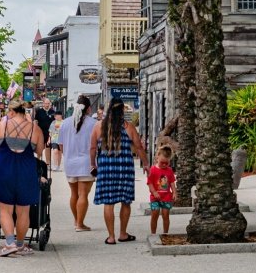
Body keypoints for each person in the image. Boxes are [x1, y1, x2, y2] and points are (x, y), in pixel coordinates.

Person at [0, 101, 44, 257]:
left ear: (12, 111)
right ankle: (20, 244)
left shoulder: (2, 125)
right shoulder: (35, 129)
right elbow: (39, 152)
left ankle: (9, 243)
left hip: (5, 168)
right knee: (23, 211)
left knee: (6, 210)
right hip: (26, 171)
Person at [91, 97, 146, 244]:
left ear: (109, 109)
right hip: (125, 169)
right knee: (125, 202)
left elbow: (92, 148)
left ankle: (111, 236)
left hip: (106, 169)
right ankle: (123, 233)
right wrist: (146, 164)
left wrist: (93, 164)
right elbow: (139, 147)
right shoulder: (128, 127)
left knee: (108, 203)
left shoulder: (99, 126)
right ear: (122, 110)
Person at [57, 95, 99, 231]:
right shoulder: (93, 124)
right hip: (87, 163)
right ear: (88, 109)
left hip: (70, 162)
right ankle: (80, 224)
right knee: (83, 194)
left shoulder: (66, 123)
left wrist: (68, 154)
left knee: (73, 194)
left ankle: (76, 220)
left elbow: (61, 146)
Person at [147, 146, 176, 238]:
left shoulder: (169, 170)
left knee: (165, 215)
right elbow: (150, 183)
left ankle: (165, 233)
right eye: (162, 162)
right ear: (157, 157)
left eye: (166, 163)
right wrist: (154, 192)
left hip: (167, 197)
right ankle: (153, 233)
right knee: (154, 214)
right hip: (155, 198)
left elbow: (172, 182)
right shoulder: (153, 170)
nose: (164, 165)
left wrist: (175, 192)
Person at [33, 97, 59, 169]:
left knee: (48, 148)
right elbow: (35, 121)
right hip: (40, 133)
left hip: (49, 133)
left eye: (48, 103)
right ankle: (38, 162)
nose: (47, 105)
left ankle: (48, 163)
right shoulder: (39, 112)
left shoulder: (52, 112)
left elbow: (55, 122)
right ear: (43, 103)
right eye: (45, 103)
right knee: (40, 148)